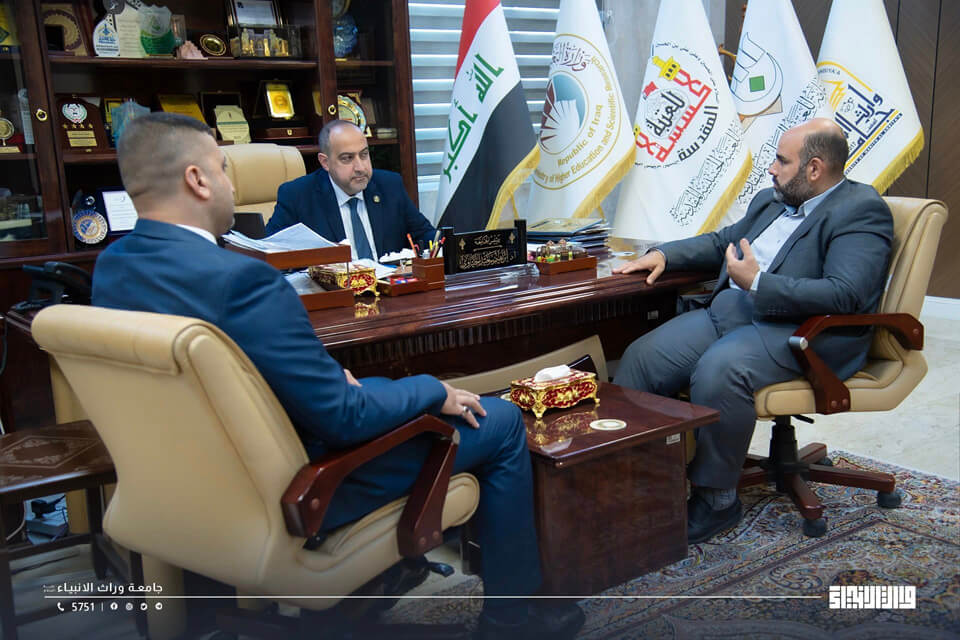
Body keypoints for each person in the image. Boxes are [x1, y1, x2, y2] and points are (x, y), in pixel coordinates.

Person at [92, 113, 584, 639]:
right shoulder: (243, 281)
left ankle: (386, 584)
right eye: (223, 167)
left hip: (191, 486)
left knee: (376, 389)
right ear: (197, 179)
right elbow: (344, 419)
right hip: (299, 489)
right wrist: (433, 389)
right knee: (501, 420)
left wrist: (324, 381)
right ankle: (513, 622)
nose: (232, 184)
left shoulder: (113, 268)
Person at [612, 118, 893, 544]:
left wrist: (759, 283)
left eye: (782, 161)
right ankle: (637, 485)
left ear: (814, 168)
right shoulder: (771, 200)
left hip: (801, 333)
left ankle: (717, 499)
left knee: (720, 369)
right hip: (730, 315)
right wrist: (664, 255)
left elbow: (846, 293)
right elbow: (722, 242)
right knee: (641, 358)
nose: (771, 169)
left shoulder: (860, 210)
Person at [266, 120, 436, 260]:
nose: (360, 167)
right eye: (347, 158)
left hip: (390, 286)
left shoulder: (389, 185)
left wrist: (445, 244)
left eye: (364, 154)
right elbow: (270, 254)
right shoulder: (297, 195)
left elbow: (425, 236)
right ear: (325, 162)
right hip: (334, 290)